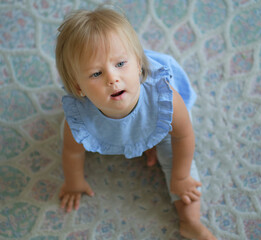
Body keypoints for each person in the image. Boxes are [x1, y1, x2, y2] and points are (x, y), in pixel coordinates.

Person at [55, 7, 216, 240]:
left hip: (159, 125)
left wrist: (180, 178)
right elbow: (71, 152)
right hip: (113, 127)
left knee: (184, 174)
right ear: (79, 87)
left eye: (121, 63)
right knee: (68, 134)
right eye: (96, 74)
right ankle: (144, 144)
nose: (112, 78)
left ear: (139, 63)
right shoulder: (79, 117)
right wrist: (73, 181)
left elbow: (184, 135)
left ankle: (190, 223)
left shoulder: (164, 98)